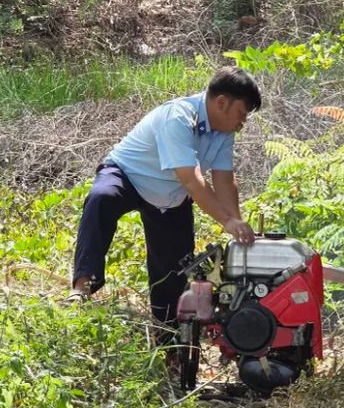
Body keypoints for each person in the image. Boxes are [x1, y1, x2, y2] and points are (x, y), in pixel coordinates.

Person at [67, 66, 260, 329]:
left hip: (170, 196)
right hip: (129, 176)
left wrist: (237, 223)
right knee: (102, 198)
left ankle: (168, 344)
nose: (242, 122)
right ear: (222, 103)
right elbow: (192, 180)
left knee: (172, 274)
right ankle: (83, 285)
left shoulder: (224, 133)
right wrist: (226, 221)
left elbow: (224, 179)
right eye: (241, 113)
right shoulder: (178, 117)